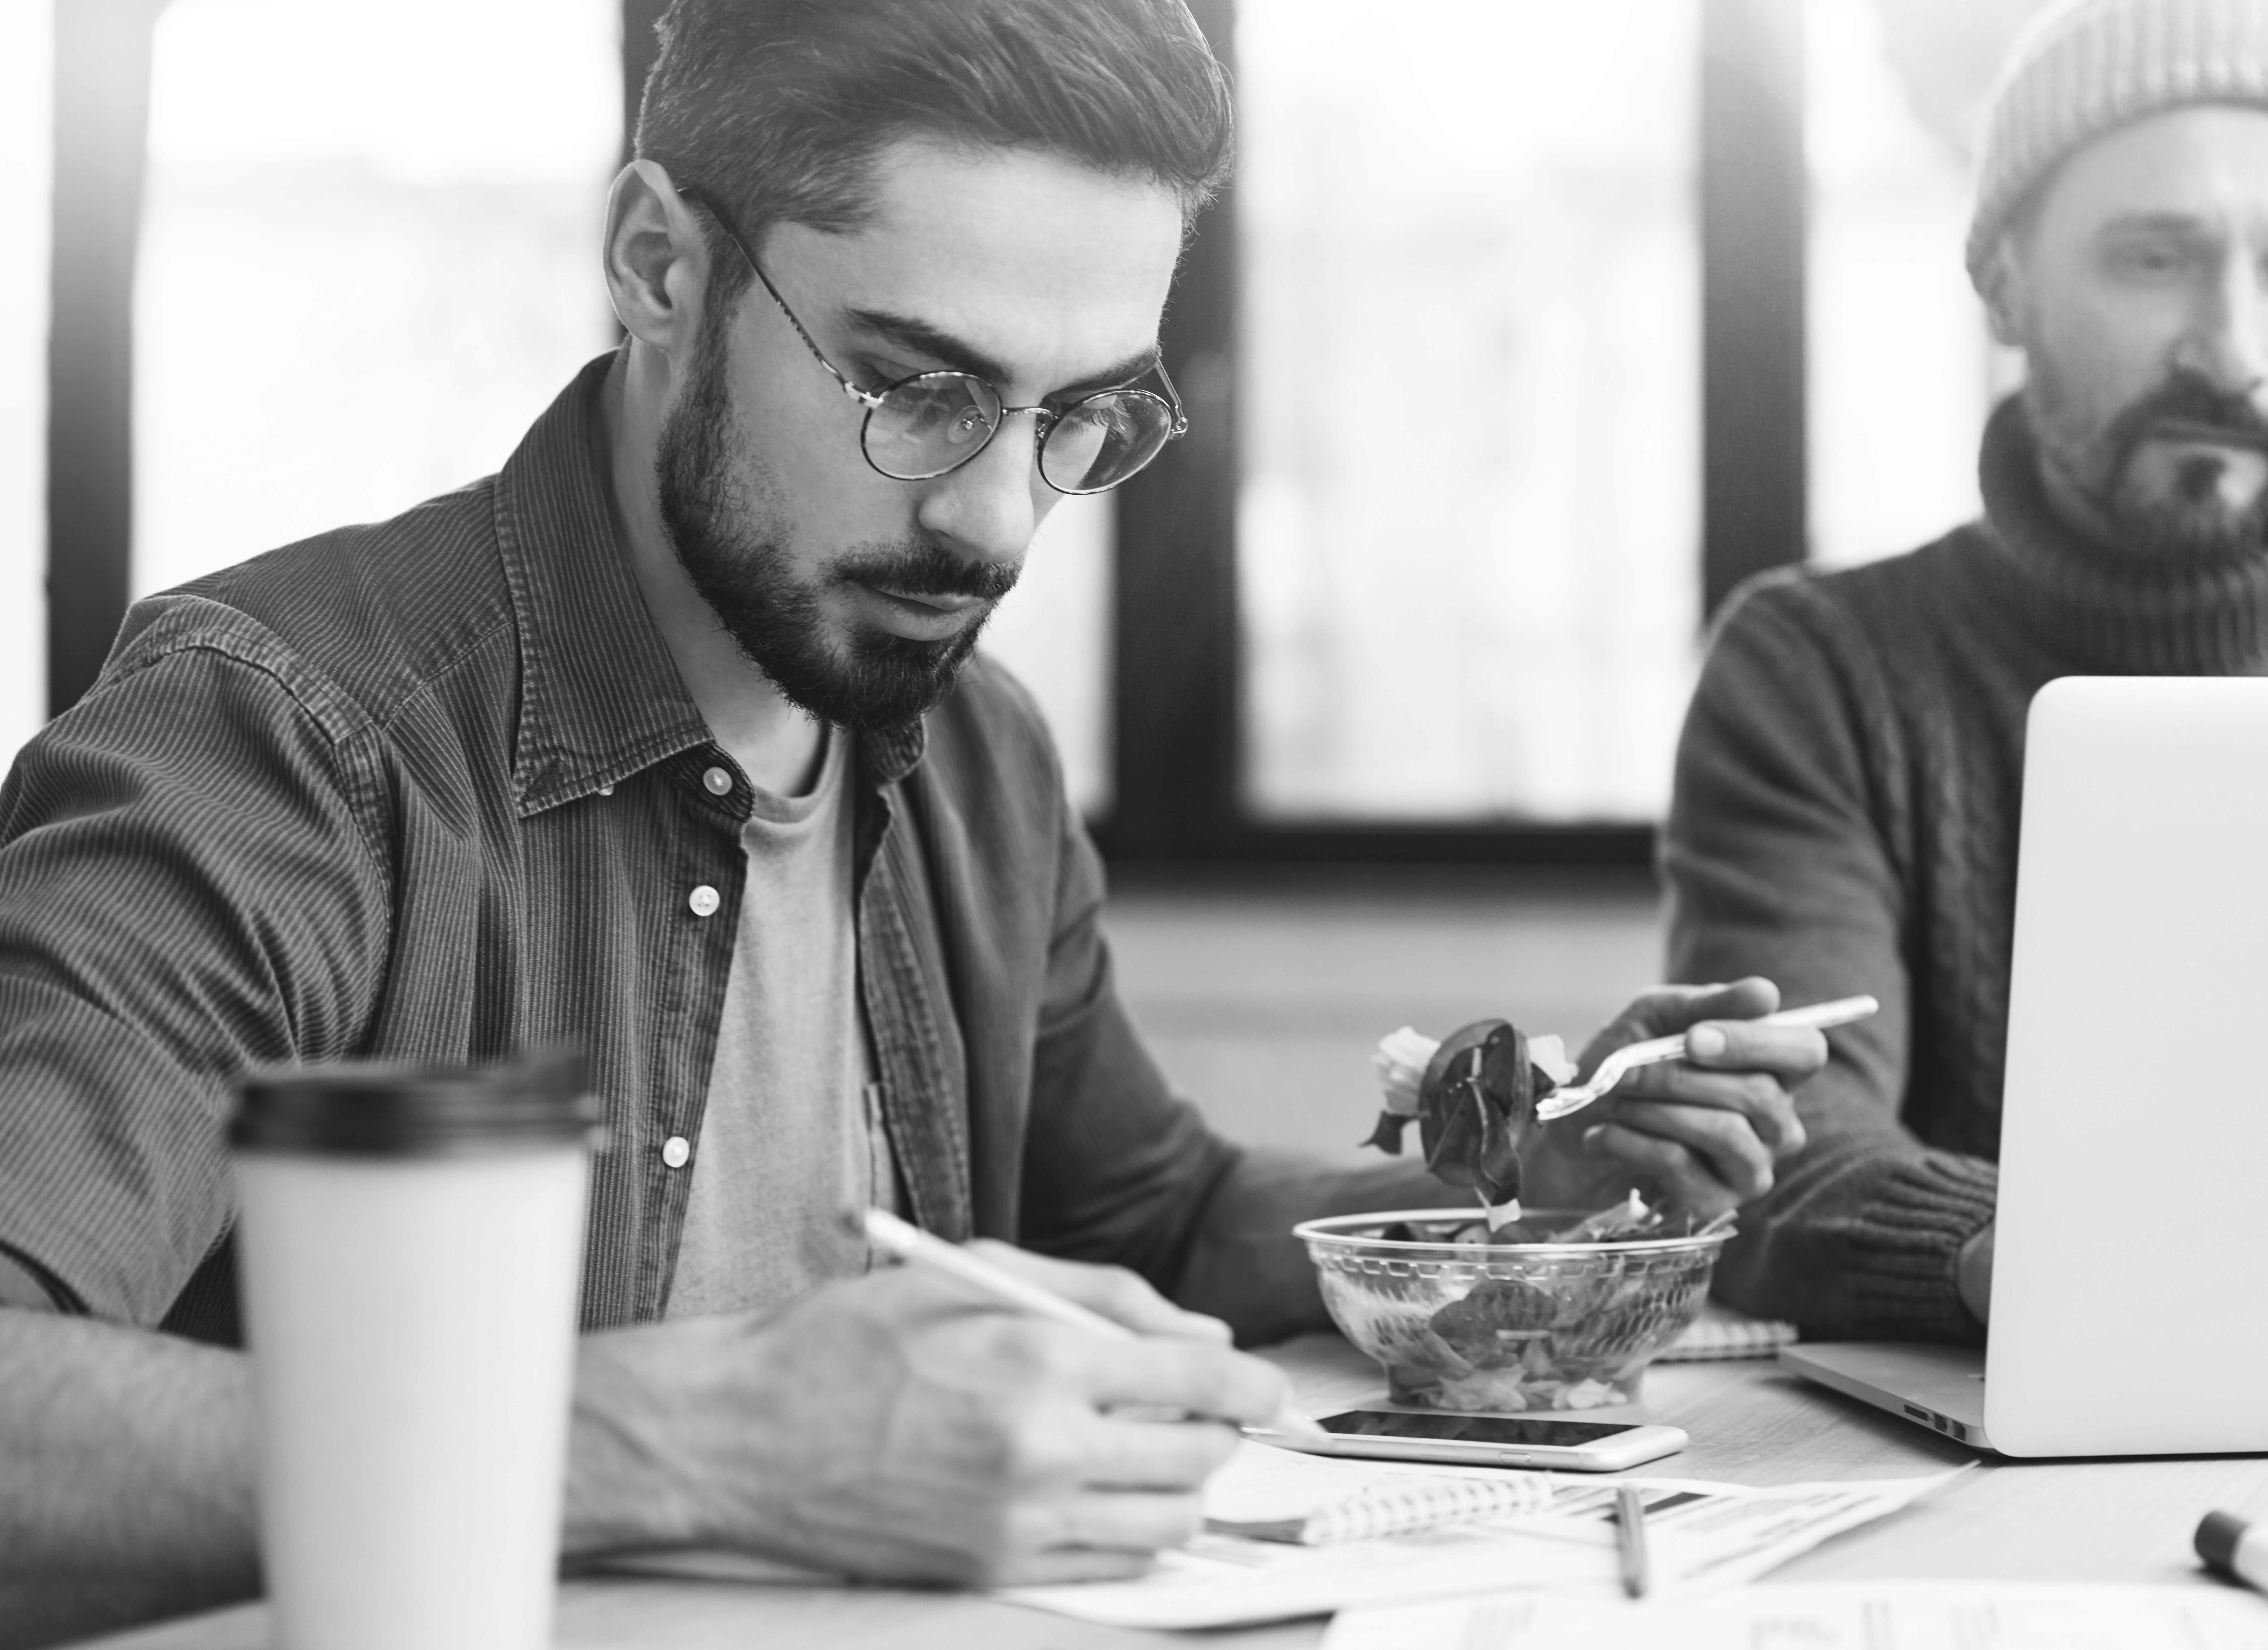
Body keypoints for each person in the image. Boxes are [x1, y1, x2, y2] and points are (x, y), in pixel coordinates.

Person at [0, 2, 1829, 1642]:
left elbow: (1157, 1217)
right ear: (657, 263)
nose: (999, 526)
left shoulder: (975, 755)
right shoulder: (287, 739)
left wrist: (1514, 1187)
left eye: (1075, 419)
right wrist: (715, 1441)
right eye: (920, 390)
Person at [1666, 0, 2268, 1341]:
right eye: (2155, 258)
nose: (2232, 351)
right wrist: (2096, 1276)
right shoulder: (1817, 674)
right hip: (1980, 1447)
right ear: (2007, 285)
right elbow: (1777, 1152)